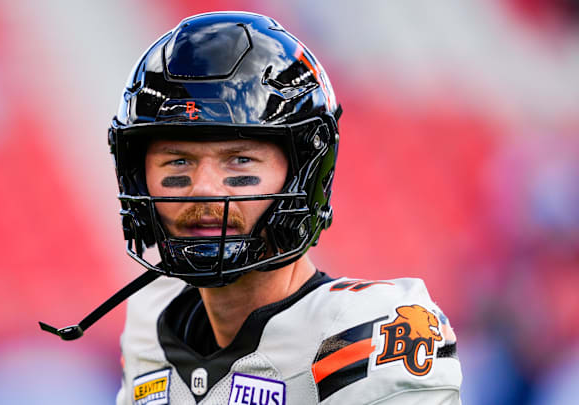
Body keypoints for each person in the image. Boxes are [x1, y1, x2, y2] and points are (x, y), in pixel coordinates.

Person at [107, 11, 462, 404]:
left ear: (301, 175)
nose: (203, 189)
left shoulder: (362, 334)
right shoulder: (149, 327)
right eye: (177, 161)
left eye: (239, 160)